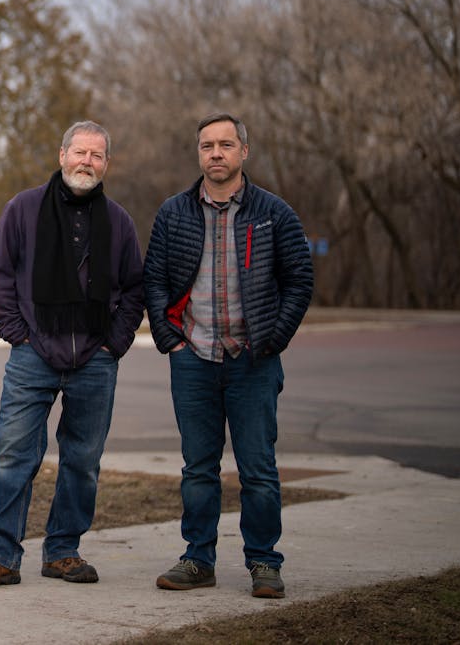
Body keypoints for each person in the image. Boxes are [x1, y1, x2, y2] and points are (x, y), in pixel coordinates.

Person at [0, 120, 145, 589]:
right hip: (32, 355)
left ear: (106, 164)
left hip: (95, 359)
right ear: (61, 155)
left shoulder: (119, 221)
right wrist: (18, 334)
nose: (87, 162)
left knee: (82, 460)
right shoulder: (23, 209)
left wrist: (114, 343)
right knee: (11, 454)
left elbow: (133, 288)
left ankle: (63, 551)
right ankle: (0, 555)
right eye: (79, 152)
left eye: (97, 156)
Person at [143, 113, 313, 599]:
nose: (215, 153)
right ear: (198, 153)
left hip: (253, 361)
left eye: (225, 144)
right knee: (198, 468)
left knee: (258, 468)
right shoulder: (174, 212)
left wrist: (273, 339)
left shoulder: (274, 212)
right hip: (192, 358)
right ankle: (198, 559)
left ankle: (264, 562)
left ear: (243, 151)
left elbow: (299, 281)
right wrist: (169, 340)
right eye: (206, 146)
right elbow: (153, 279)